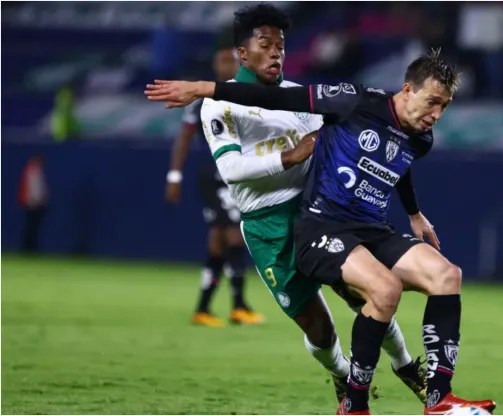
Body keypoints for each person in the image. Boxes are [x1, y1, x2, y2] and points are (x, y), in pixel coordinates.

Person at [145, 48, 496, 414]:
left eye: (445, 107)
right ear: (408, 89)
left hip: (372, 228)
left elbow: (399, 159)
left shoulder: (421, 138)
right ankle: (355, 402)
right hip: (322, 227)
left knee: (446, 274)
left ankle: (439, 399)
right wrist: (203, 88)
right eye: (433, 102)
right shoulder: (355, 100)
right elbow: (277, 96)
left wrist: (414, 213)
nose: (437, 114)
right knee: (384, 290)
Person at [157, 4, 427, 405]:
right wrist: (290, 156)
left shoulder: (299, 98)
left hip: (316, 215)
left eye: (281, 45)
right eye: (265, 45)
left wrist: (407, 206)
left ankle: (407, 368)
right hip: (267, 226)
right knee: (319, 330)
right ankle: (341, 373)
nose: (276, 53)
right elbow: (231, 168)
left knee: (369, 295)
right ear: (242, 54)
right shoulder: (220, 106)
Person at [166, 46, 265, 327]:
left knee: (218, 241)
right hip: (217, 175)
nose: (224, 66)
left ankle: (205, 307)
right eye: (220, 61)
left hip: (241, 175)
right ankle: (238, 305)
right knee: (234, 235)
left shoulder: (248, 97)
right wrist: (174, 176)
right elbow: (184, 138)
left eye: (229, 61)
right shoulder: (201, 101)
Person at [18, 154, 48, 253]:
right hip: (31, 204)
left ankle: (31, 248)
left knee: (34, 228)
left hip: (37, 204)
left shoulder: (38, 172)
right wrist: (33, 200)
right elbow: (32, 189)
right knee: (30, 228)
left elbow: (40, 189)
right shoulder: (31, 171)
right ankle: (27, 248)